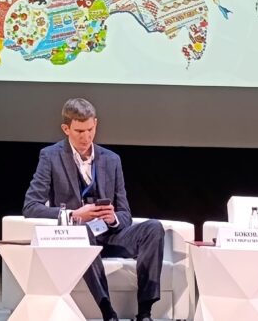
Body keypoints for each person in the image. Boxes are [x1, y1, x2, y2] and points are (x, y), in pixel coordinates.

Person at [22, 98, 164, 321]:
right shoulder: (50, 156)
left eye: (90, 130)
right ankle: (108, 311)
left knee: (153, 228)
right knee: (83, 231)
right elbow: (31, 207)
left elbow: (125, 214)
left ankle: (145, 312)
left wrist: (113, 218)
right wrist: (74, 215)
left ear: (95, 124)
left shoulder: (112, 160)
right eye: (79, 131)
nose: (86, 137)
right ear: (66, 129)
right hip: (76, 239)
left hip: (110, 235)